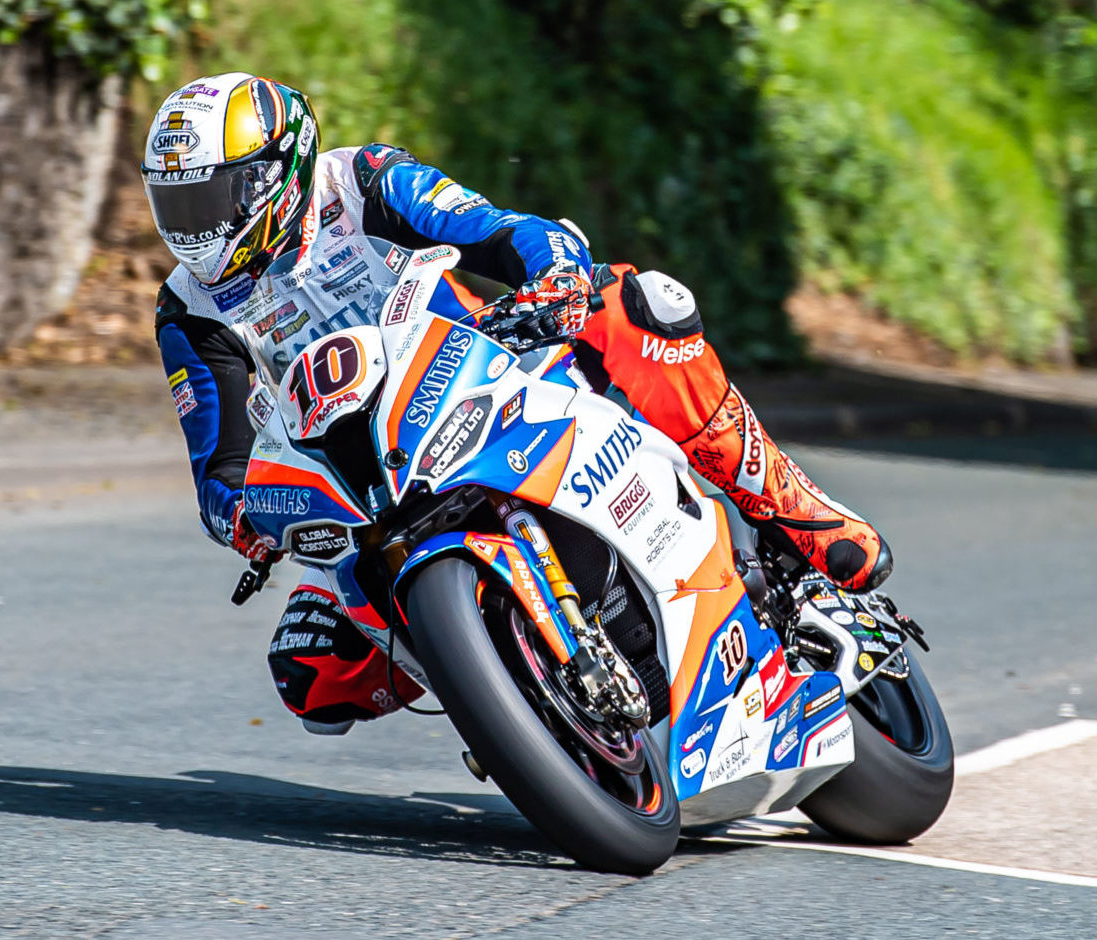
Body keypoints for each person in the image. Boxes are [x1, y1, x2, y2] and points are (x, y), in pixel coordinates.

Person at [145, 73, 891, 734]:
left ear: (274, 174)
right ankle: (514, 699)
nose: (194, 228)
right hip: (358, 490)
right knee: (308, 672)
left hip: (478, 383)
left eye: (209, 199)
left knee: (636, 307)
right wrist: (245, 520)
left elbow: (499, 230)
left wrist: (553, 278)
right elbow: (219, 465)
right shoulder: (188, 310)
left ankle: (795, 512)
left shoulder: (364, 183)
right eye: (175, 206)